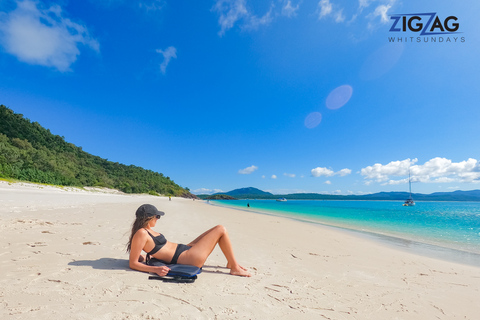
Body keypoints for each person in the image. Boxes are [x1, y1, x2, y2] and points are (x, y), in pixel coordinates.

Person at [126, 204, 251, 277]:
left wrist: (144, 256)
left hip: (184, 249)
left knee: (213, 230)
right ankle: (234, 267)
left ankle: (231, 262)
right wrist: (156, 269)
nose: (158, 219)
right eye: (157, 216)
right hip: (187, 258)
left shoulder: (146, 231)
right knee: (220, 229)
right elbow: (133, 263)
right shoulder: (141, 233)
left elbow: (139, 255)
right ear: (148, 218)